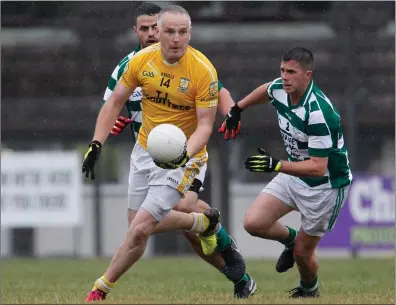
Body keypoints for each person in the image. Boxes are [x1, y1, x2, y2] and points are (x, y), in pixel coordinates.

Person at [82, 5, 252, 302]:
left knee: (142, 228)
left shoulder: (202, 70)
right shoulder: (136, 63)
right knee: (145, 223)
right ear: (155, 32)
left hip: (185, 157)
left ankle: (100, 289)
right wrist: (96, 144)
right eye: (168, 32)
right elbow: (112, 104)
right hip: (144, 151)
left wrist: (185, 153)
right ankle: (206, 224)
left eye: (182, 32)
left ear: (190, 33)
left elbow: (204, 125)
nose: (175, 38)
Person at [220, 47, 353, 298]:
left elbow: (317, 167)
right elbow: (267, 90)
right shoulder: (281, 88)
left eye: (291, 72)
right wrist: (238, 108)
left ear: (308, 75)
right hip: (293, 175)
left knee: (304, 255)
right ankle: (290, 240)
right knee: (254, 223)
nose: (285, 77)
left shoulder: (318, 113)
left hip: (325, 186)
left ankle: (308, 289)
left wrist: (276, 165)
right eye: (282, 70)